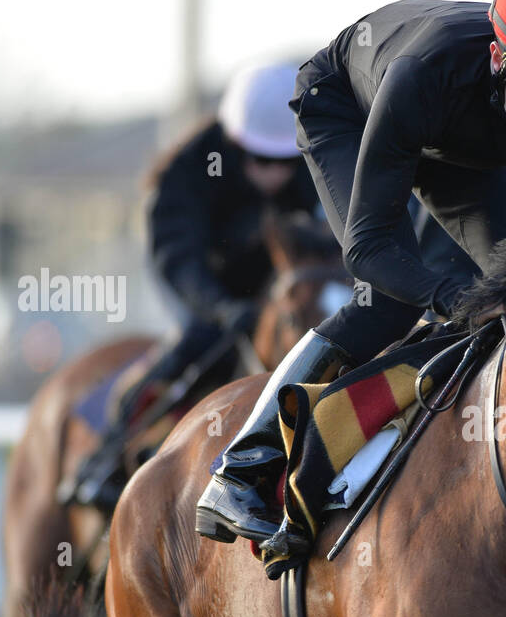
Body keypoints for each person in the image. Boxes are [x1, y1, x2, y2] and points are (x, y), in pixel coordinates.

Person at [196, 0, 506, 551]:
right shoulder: (424, 73)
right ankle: (244, 464)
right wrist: (450, 296)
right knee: (390, 301)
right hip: (350, 106)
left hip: (460, 141)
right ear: (502, 60)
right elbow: (369, 252)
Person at [62, 62, 323, 510]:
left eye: (287, 161)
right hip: (202, 282)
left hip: (273, 291)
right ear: (236, 144)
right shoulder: (187, 174)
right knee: (202, 338)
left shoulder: (311, 166)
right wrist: (220, 307)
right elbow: (178, 259)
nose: (277, 174)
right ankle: (104, 458)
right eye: (263, 160)